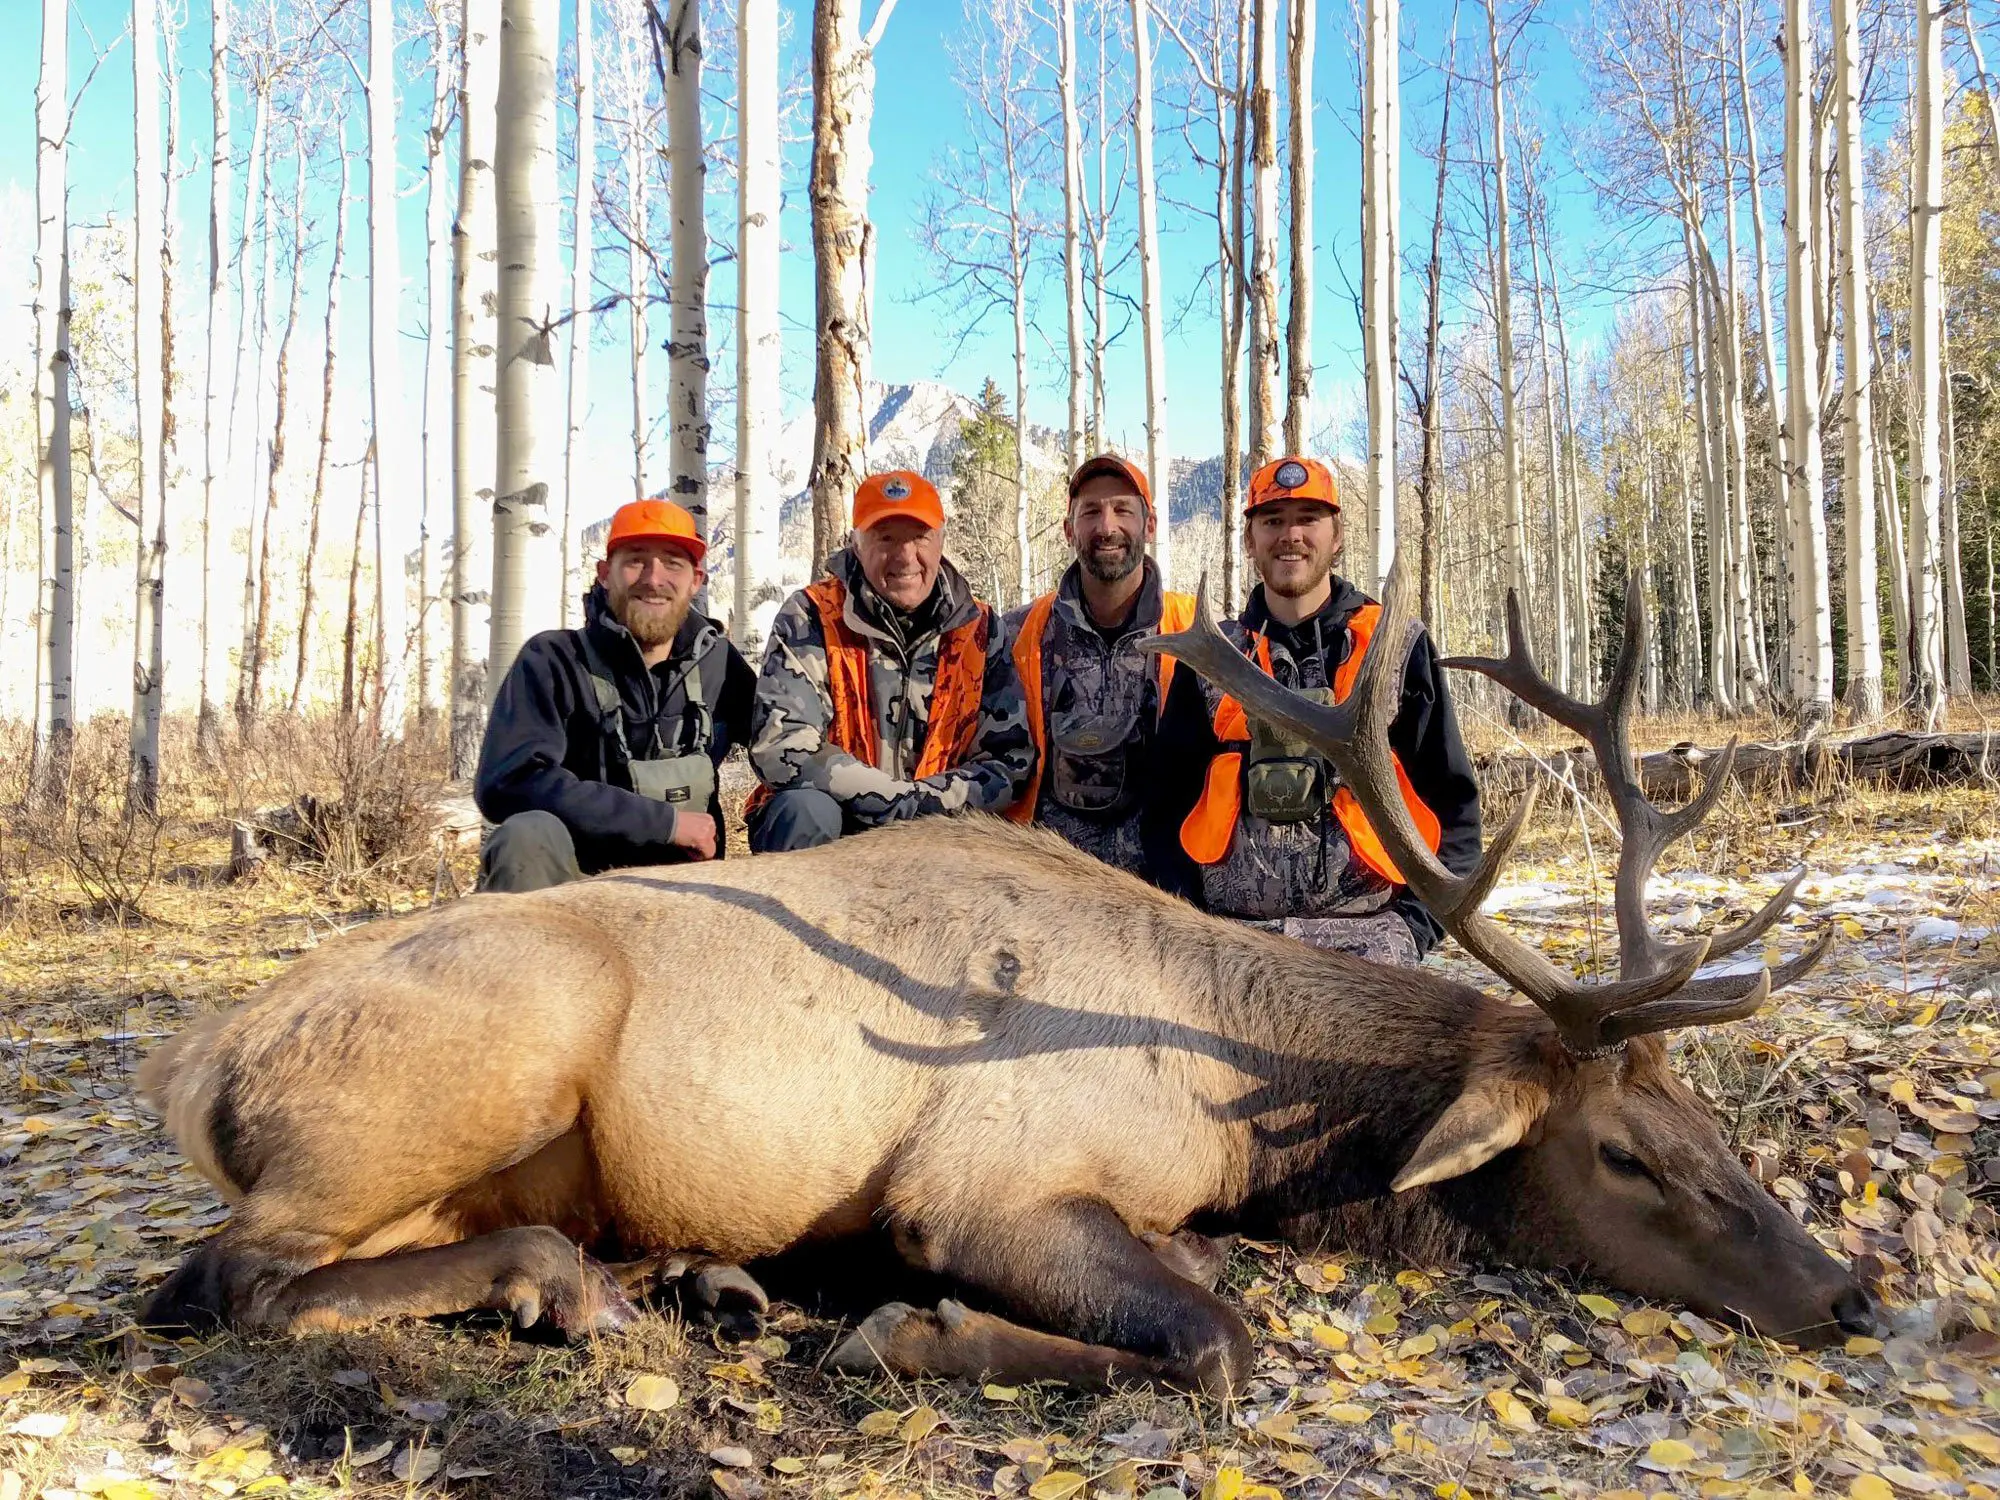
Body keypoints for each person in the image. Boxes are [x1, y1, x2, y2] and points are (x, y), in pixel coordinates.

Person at [1146, 456, 1481, 965]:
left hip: (1367, 942)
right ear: (1250, 540)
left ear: (1337, 534)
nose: (1291, 535)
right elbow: (1166, 805)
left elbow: (1453, 803)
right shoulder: (1213, 656)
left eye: (1308, 518)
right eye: (1273, 521)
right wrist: (1190, 921)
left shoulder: (1393, 645)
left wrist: (1415, 927)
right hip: (1233, 944)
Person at [474, 496, 756, 892]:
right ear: (606, 574)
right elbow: (510, 782)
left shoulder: (720, 663)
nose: (653, 579)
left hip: (689, 891)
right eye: (636, 559)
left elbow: (780, 744)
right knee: (526, 835)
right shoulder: (553, 660)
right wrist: (666, 824)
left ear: (696, 581)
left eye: (673, 563)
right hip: (573, 889)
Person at [746, 469, 1035, 851]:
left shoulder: (981, 630)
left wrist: (927, 804)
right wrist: (890, 799)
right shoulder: (810, 617)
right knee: (805, 811)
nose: (904, 557)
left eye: (919, 537)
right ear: (856, 543)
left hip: (942, 829)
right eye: (886, 539)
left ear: (941, 540)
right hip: (839, 824)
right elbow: (782, 745)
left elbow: (1009, 760)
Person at [1003, 454, 1196, 879]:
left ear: (1149, 525)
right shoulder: (1017, 634)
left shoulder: (1196, 633)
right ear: (1069, 530)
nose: (1106, 527)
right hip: (1044, 880)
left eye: (1122, 509)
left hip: (1161, 889)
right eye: (1091, 512)